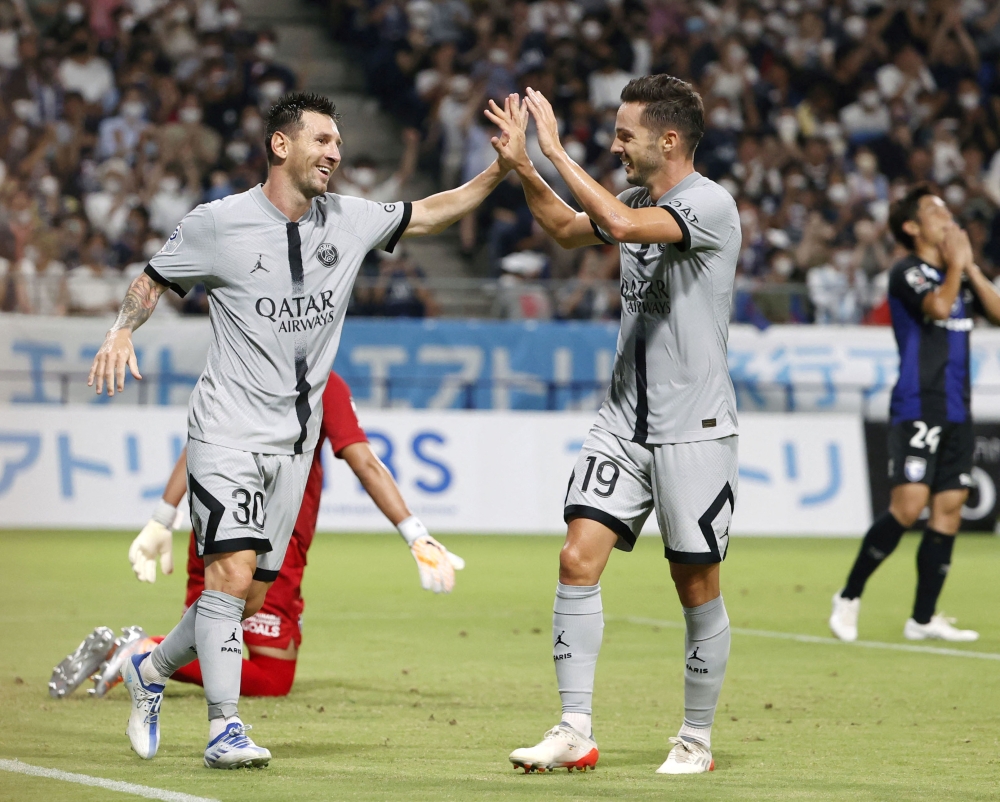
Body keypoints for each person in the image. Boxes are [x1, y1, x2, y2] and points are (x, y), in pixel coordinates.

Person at [86, 91, 511, 769]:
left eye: (339, 143)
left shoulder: (348, 220)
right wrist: (119, 332)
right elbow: (152, 279)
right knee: (226, 576)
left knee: (248, 591)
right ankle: (226, 730)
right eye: (323, 141)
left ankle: (150, 668)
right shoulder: (217, 223)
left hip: (294, 446)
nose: (336, 154)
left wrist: (500, 171)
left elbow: (430, 213)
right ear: (282, 145)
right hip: (227, 430)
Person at [487, 76, 740, 775]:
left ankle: (695, 738)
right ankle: (573, 728)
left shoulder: (709, 204)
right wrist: (525, 167)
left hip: (695, 429)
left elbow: (623, 230)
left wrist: (559, 151)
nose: (615, 144)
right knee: (576, 558)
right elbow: (570, 229)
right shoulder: (630, 198)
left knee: (695, 587)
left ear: (668, 138)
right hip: (624, 422)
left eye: (625, 134)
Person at [49, 372, 462, 700]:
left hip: (211, 525)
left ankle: (145, 657)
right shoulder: (323, 382)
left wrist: (162, 516)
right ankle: (142, 652)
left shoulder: (238, 371)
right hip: (271, 543)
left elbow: (198, 442)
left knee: (210, 640)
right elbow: (365, 462)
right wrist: (415, 533)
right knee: (271, 676)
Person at [829, 185, 1000, 644]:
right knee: (907, 508)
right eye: (935, 210)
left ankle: (922, 619)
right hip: (917, 404)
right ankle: (848, 595)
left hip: (957, 409)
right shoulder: (909, 272)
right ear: (912, 227)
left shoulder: (956, 272)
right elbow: (939, 307)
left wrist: (969, 267)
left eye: (947, 207)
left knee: (949, 509)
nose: (947, 215)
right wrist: (959, 266)